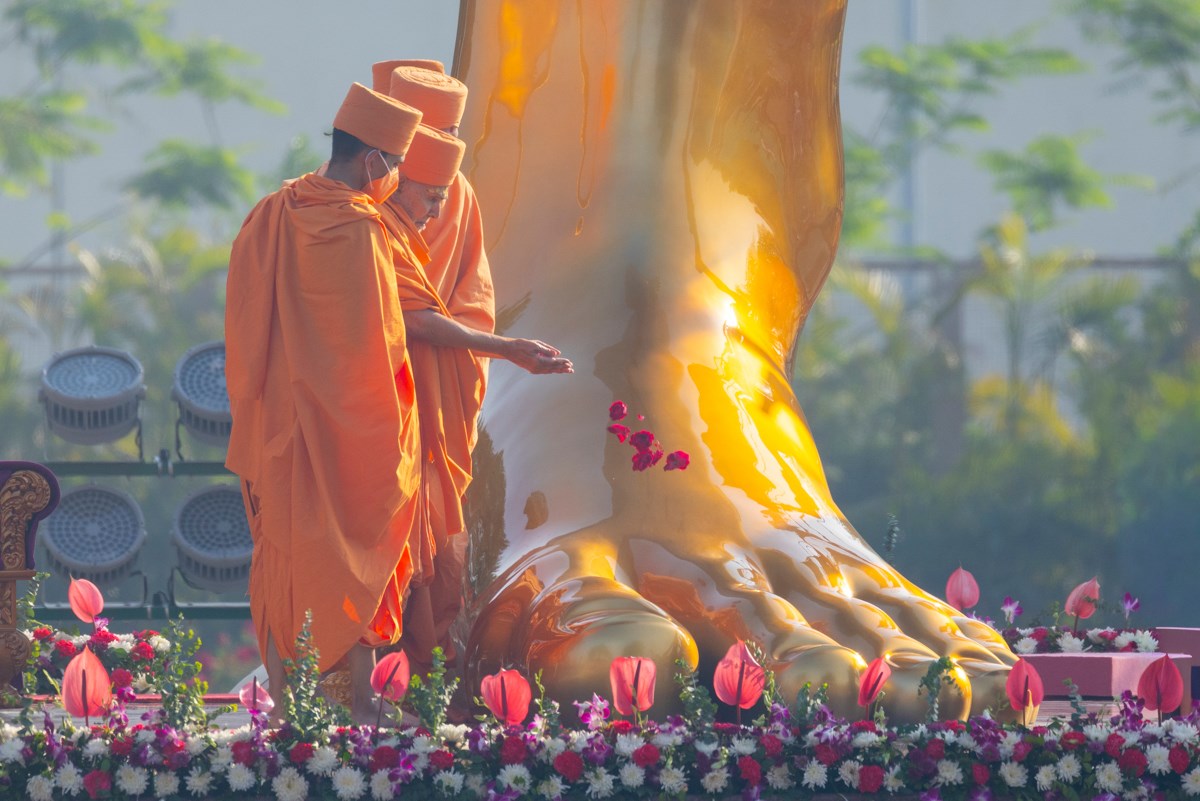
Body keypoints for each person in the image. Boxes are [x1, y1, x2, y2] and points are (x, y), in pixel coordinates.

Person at [224, 82, 424, 723]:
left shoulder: (271, 212)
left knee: (284, 555)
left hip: (280, 420)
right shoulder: (358, 229)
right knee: (356, 549)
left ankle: (290, 706)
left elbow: (246, 317)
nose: (392, 180)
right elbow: (378, 334)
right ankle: (357, 701)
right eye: (394, 168)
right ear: (373, 163)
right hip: (345, 424)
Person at [373, 74, 573, 671]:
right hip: (373, 393)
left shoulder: (453, 189)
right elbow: (398, 313)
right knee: (377, 533)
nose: (450, 149)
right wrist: (504, 347)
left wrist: (491, 346)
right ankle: (360, 681)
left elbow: (464, 299)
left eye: (456, 133)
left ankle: (420, 678)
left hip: (438, 393)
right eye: (435, 132)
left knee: (432, 535)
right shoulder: (352, 212)